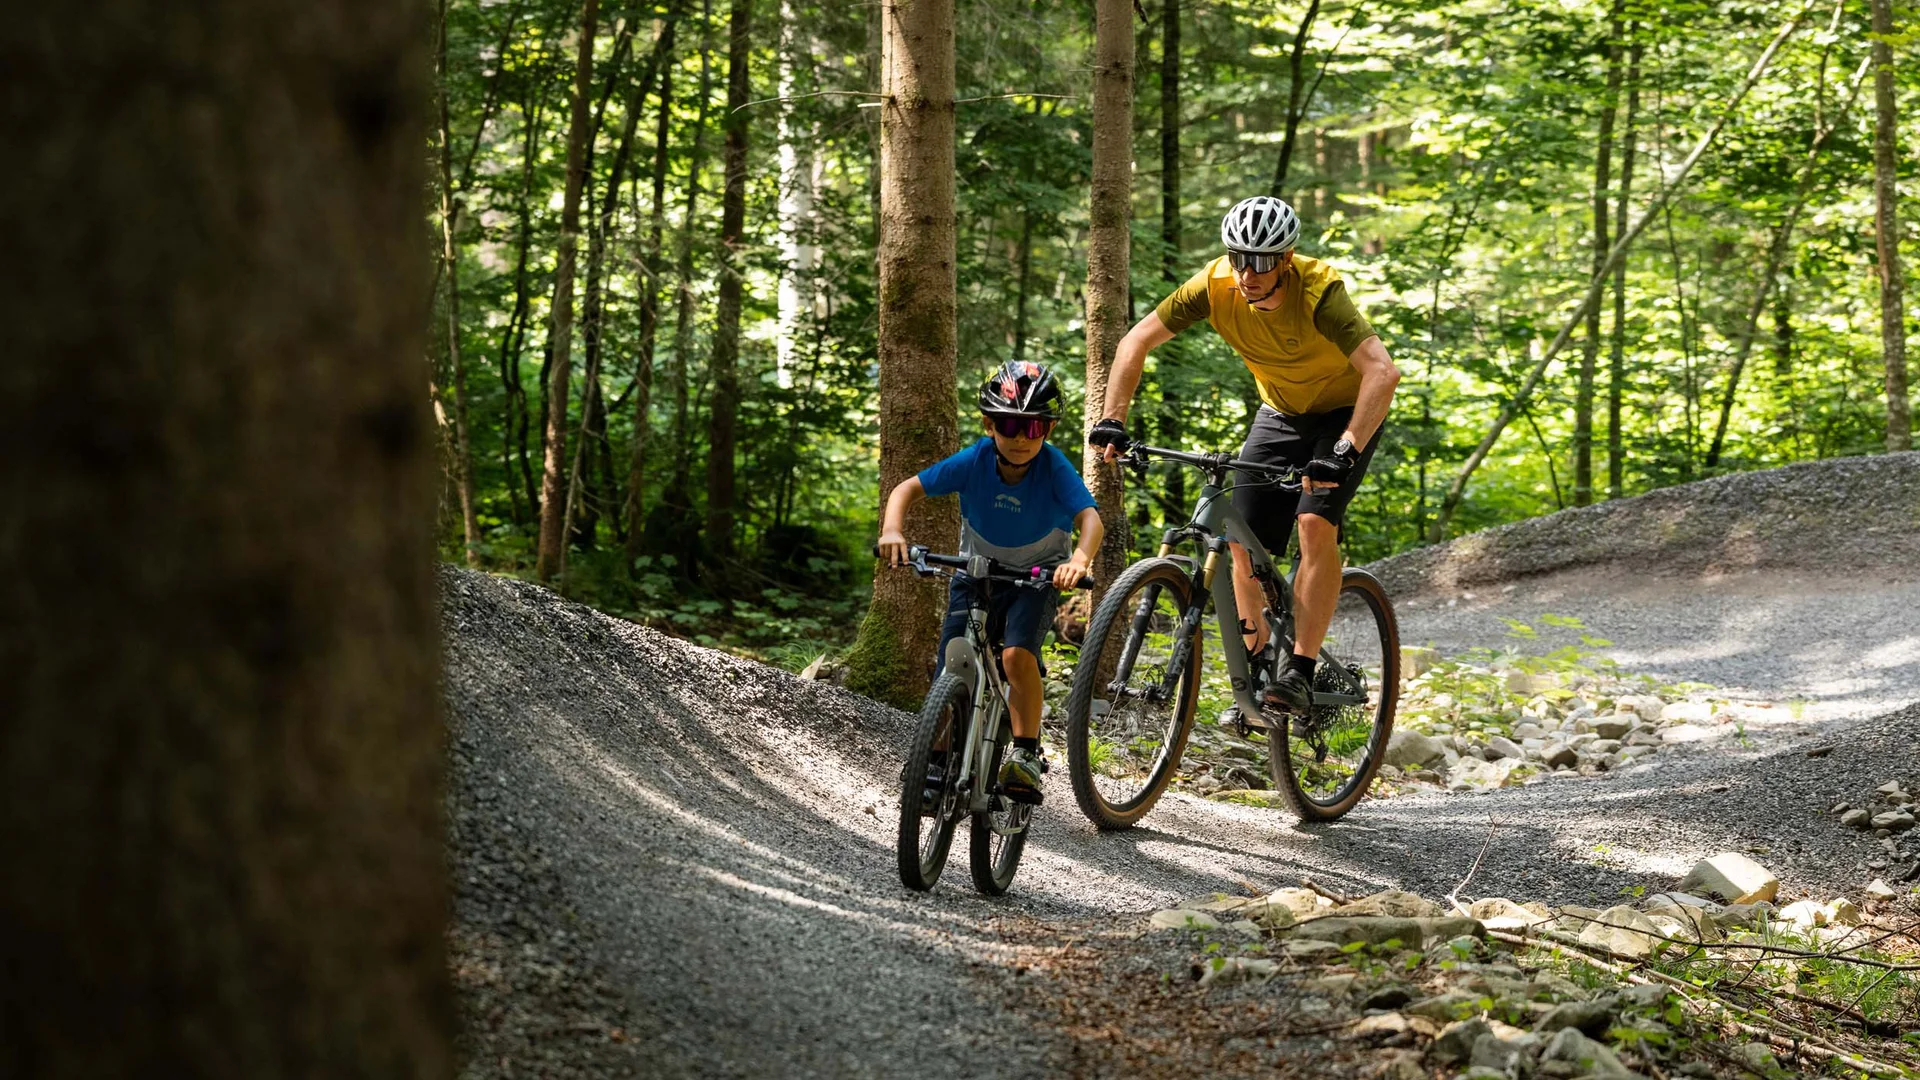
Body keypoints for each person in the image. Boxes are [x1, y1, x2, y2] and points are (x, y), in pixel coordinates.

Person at [1088, 195, 1399, 715]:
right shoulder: (1214, 285)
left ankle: (1298, 669)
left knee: (1313, 526)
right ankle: (1257, 673)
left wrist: (1344, 451)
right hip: (1279, 411)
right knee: (1238, 542)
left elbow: (1382, 372)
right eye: (1237, 258)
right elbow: (1136, 340)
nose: (1246, 273)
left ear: (1285, 258)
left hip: (1344, 415)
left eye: (1259, 261)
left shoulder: (1320, 291)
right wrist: (1113, 418)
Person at [878, 361, 1104, 803]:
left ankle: (1025, 752)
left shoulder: (1054, 468)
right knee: (953, 661)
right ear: (989, 424)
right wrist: (892, 531)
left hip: (1035, 578)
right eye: (1008, 425)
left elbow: (1090, 519)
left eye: (1034, 427)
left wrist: (1078, 559)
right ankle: (937, 761)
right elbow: (906, 489)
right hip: (975, 571)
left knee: (1017, 656)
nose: (1021, 438)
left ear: (1049, 430)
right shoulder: (975, 460)